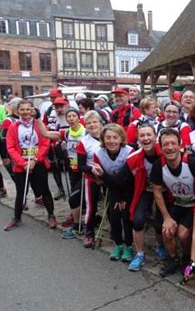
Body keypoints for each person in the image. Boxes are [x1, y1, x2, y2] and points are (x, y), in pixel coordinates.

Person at [150, 128, 195, 277]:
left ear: (180, 145)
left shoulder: (192, 162)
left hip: (194, 204)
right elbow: (157, 191)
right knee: (167, 231)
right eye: (165, 144)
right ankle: (173, 259)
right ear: (160, 147)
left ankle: (187, 257)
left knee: (182, 234)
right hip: (176, 203)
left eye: (173, 143)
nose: (169, 148)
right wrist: (166, 217)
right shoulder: (158, 165)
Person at [113, 123, 167, 271]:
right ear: (138, 138)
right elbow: (119, 180)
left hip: (164, 190)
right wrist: (120, 198)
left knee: (159, 222)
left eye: (149, 135)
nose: (146, 138)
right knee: (138, 220)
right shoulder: (133, 158)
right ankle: (140, 254)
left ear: (155, 137)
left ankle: (160, 245)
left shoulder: (165, 152)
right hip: (143, 190)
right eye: (142, 135)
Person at [4, 100, 56, 231]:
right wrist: (23, 163)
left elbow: (45, 144)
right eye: (22, 110)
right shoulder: (13, 127)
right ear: (17, 111)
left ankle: (51, 215)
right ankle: (17, 217)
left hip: (37, 163)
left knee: (45, 190)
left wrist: (35, 160)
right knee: (21, 192)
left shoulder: (39, 124)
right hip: (22, 165)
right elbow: (10, 147)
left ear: (32, 110)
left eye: (28, 109)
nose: (25, 112)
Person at [37, 109, 86, 237]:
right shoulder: (66, 132)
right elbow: (45, 133)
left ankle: (80, 224)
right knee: (78, 197)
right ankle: (80, 219)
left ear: (79, 118)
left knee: (76, 197)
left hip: (85, 171)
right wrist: (37, 117)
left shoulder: (87, 132)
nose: (71, 118)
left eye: (73, 116)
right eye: (68, 116)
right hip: (73, 169)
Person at [92, 124, 134, 261]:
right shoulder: (98, 153)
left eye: (115, 137)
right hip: (112, 188)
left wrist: (103, 175)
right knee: (114, 216)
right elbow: (102, 180)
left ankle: (128, 245)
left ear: (121, 138)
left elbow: (123, 179)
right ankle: (118, 244)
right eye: (108, 137)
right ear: (103, 139)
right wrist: (100, 177)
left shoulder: (129, 151)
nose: (111, 141)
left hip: (128, 188)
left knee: (127, 217)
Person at [76, 111, 105, 247]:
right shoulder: (84, 142)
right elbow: (81, 166)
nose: (92, 125)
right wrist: (93, 171)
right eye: (88, 123)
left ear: (100, 123)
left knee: (110, 205)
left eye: (95, 121)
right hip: (92, 177)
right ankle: (89, 233)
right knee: (91, 206)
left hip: (109, 176)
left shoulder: (108, 136)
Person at [43, 96, 71, 200]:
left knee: (71, 169)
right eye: (56, 107)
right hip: (54, 145)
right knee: (55, 167)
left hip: (70, 147)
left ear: (67, 105)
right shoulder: (50, 111)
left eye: (61, 106)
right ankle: (60, 189)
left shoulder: (73, 114)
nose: (59, 109)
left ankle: (74, 192)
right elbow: (46, 125)